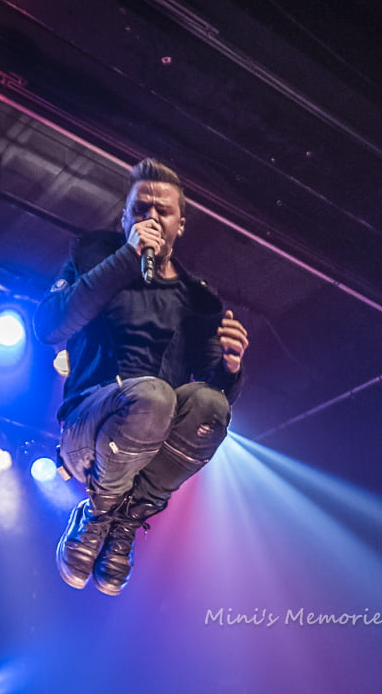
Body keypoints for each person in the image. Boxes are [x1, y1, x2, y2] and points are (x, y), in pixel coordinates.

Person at [34, 158, 249, 595]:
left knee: (211, 405)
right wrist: (125, 260)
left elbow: (214, 390)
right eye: (140, 209)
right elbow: (49, 326)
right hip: (89, 430)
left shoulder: (197, 297)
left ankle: (125, 520)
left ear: (180, 224)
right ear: (124, 218)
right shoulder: (90, 255)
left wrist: (231, 366)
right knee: (154, 395)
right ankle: (97, 513)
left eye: (162, 210)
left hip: (152, 443)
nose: (151, 217)